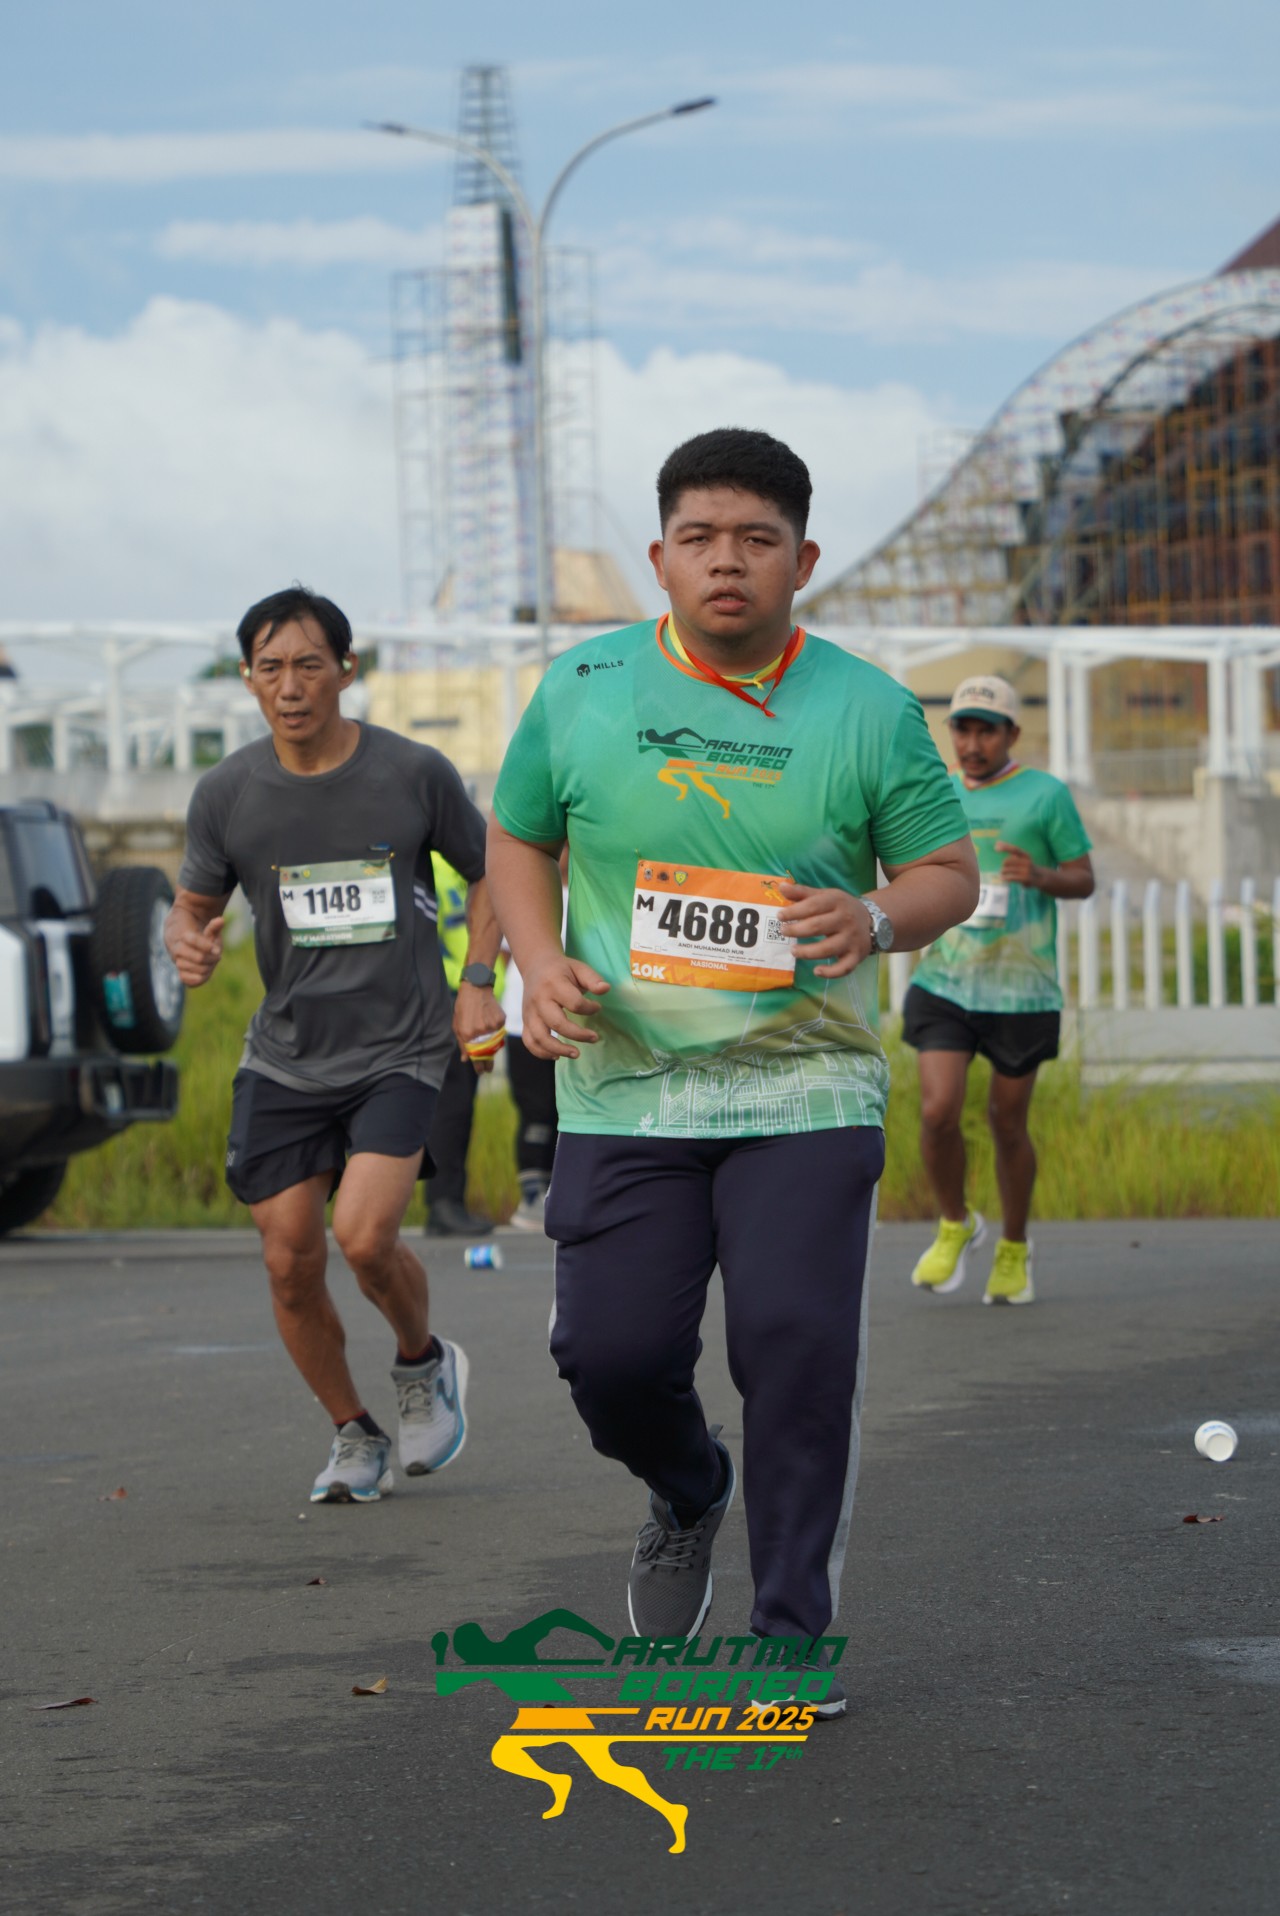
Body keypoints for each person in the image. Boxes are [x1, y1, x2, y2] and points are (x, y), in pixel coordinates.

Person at [486, 428, 978, 1715]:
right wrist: (534, 960)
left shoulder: (869, 708)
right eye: (699, 538)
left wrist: (872, 915)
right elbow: (518, 834)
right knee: (609, 1356)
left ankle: (789, 1630)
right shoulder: (581, 687)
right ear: (659, 556)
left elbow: (947, 873)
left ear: (801, 562)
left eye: (756, 540)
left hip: (803, 1088)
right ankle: (687, 1484)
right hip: (625, 1085)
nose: (726, 561)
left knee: (795, 1347)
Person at [164, 586, 503, 1504]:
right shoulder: (227, 793)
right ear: (247, 678)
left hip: (401, 1046)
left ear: (347, 671)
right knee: (287, 1258)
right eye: (270, 668)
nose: (290, 686)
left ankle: (423, 1364)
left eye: (309, 665)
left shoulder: (413, 772)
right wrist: (186, 942)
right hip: (285, 1055)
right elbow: (191, 906)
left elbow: (493, 874)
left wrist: (479, 980)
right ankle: (354, 1434)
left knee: (362, 1235)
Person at [903, 675, 1095, 1306]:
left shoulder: (1046, 795)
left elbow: (1083, 877)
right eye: (962, 728)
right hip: (946, 979)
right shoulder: (938, 793)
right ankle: (955, 1223)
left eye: (986, 730)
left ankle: (1014, 1246)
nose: (972, 742)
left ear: (1012, 733)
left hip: (1021, 989)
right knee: (937, 1111)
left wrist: (1040, 875)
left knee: (1007, 1123)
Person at [423, 852, 501, 1238]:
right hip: (442, 993)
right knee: (451, 1104)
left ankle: (448, 1200)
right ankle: (444, 1202)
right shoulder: (431, 862)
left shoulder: (452, 862)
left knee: (459, 1102)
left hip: (462, 990)